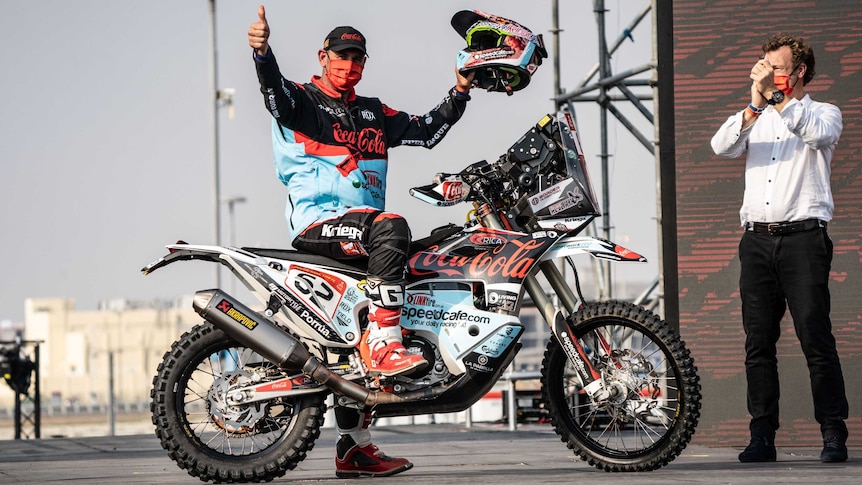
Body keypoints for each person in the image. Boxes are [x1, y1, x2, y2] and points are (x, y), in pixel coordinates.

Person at [248, 5, 474, 478]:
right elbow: (273, 94)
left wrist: (461, 90)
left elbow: (427, 132)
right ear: (323, 56)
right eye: (341, 56)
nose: (349, 65)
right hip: (320, 224)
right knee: (393, 226)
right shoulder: (302, 101)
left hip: (363, 230)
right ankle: (385, 344)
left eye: (358, 58)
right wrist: (263, 53)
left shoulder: (373, 111)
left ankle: (354, 448)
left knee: (420, 257)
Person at [711, 33, 849, 464]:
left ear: (799, 71)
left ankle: (833, 431)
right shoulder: (759, 116)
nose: (768, 73)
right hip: (756, 240)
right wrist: (755, 104)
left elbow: (816, 135)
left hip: (804, 238)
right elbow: (721, 147)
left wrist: (774, 97)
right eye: (764, 65)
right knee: (758, 343)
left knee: (815, 337)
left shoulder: (823, 111)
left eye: (776, 66)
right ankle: (762, 435)